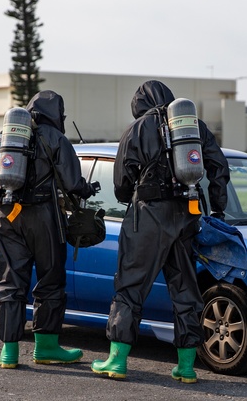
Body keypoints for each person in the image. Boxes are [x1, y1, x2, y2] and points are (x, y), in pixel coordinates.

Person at [92, 80, 230, 383]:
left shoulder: (137, 129)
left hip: (147, 217)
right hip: (186, 215)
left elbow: (121, 183)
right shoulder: (193, 127)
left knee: (130, 286)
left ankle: (116, 361)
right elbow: (219, 166)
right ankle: (187, 366)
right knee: (185, 290)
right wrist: (218, 207)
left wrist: (131, 195)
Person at [0, 90, 97, 369]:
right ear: (57, 113)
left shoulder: (3, 137)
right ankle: (46, 347)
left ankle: (8, 353)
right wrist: (88, 188)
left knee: (9, 281)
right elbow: (72, 182)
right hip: (44, 216)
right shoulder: (55, 138)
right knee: (50, 280)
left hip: (7, 216)